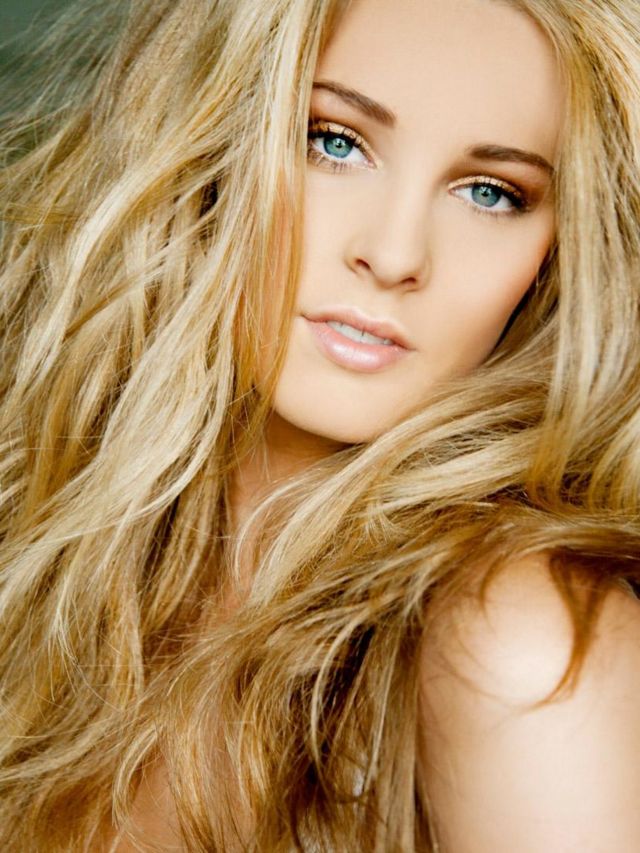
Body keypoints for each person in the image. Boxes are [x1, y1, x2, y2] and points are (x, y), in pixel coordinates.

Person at [1, 0, 639, 849]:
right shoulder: (47, 538)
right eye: (334, 142)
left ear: (556, 254)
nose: (396, 254)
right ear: (209, 141)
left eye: (491, 193)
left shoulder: (519, 642)